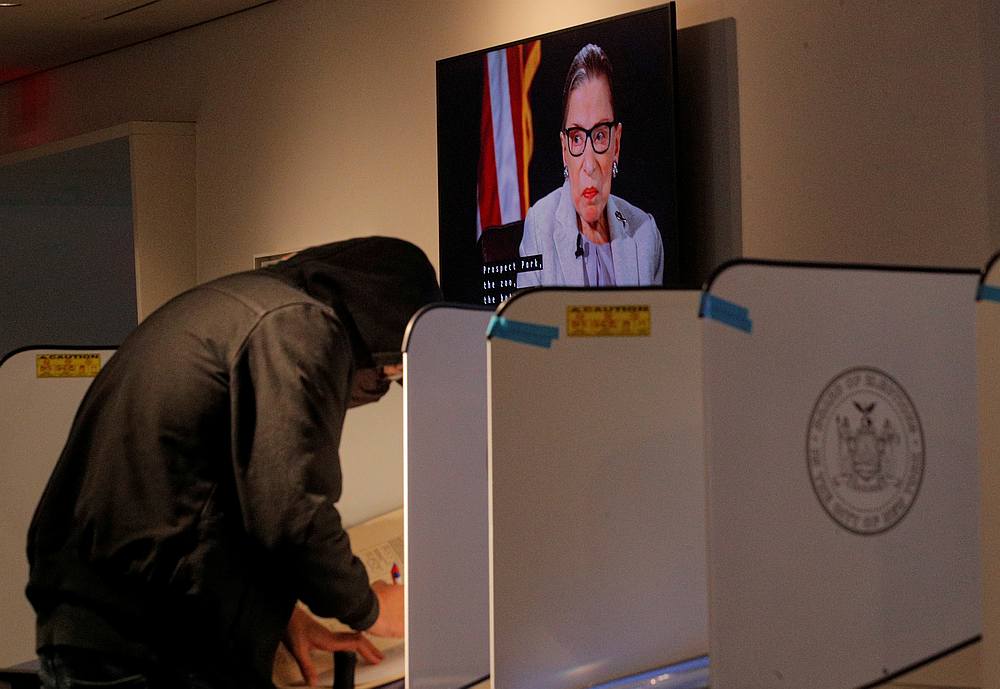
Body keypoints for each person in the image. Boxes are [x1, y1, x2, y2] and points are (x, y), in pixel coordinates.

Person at [26, 236, 443, 689]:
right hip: (153, 645)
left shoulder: (238, 307)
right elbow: (292, 511)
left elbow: (212, 490)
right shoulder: (297, 326)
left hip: (108, 627)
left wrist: (281, 617)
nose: (382, 385)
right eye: (388, 372)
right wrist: (372, 608)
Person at [517, 43, 664, 289]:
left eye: (599, 136)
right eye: (576, 137)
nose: (589, 165)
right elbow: (528, 326)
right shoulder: (540, 225)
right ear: (564, 150)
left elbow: (659, 326)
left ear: (616, 144)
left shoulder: (645, 233)